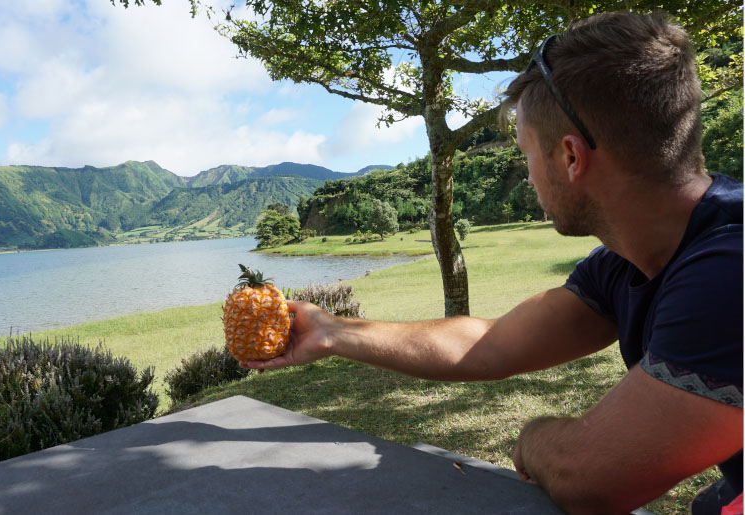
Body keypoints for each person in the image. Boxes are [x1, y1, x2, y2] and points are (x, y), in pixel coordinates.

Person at [242, 11, 743, 515]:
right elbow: (490, 344)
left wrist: (535, 437)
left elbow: (588, 477)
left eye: (525, 153)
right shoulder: (628, 262)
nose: (527, 177)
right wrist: (332, 333)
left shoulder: (729, 272)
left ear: (571, 157)